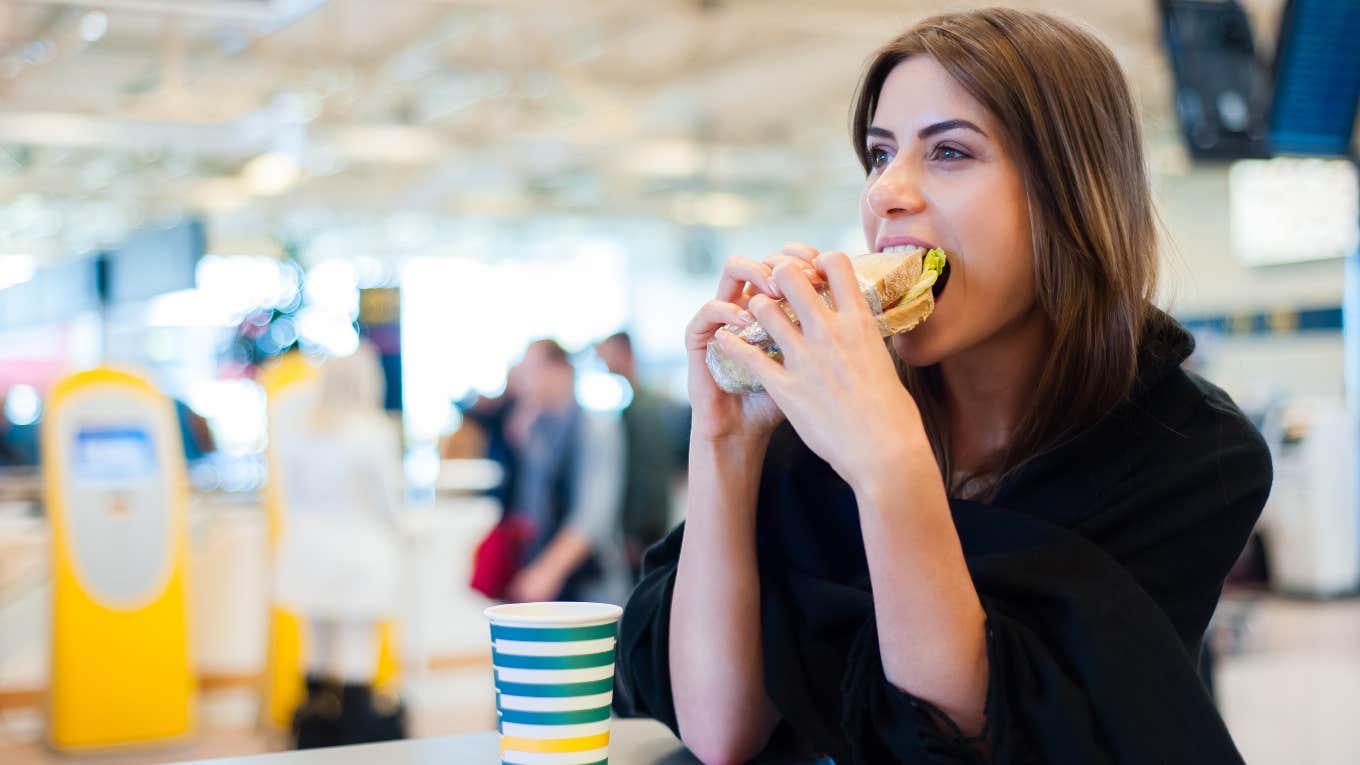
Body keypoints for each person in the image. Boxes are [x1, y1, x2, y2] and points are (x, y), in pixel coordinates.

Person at [616, 9, 1271, 765]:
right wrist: (727, 437)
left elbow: (981, 741)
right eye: (879, 154)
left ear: (1069, 193)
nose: (886, 192)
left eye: (950, 152)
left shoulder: (1192, 453)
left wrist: (890, 469)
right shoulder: (816, 402)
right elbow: (722, 731)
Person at [273, 343, 406, 748]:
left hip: (307, 551)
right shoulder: (373, 432)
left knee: (316, 643)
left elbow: (289, 494)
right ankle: (356, 734)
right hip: (358, 552)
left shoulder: (300, 431)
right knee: (356, 645)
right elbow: (389, 501)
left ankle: (312, 735)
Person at [504, 338, 630, 605]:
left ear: (560, 370)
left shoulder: (597, 428)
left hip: (591, 583)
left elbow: (593, 516)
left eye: (531, 372)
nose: (524, 383)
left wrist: (548, 571)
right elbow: (530, 509)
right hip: (547, 579)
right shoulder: (539, 429)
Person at [596, 331, 681, 579]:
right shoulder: (637, 403)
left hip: (645, 532)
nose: (605, 361)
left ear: (625, 353)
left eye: (608, 353)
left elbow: (649, 473)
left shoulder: (643, 408)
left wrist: (637, 533)